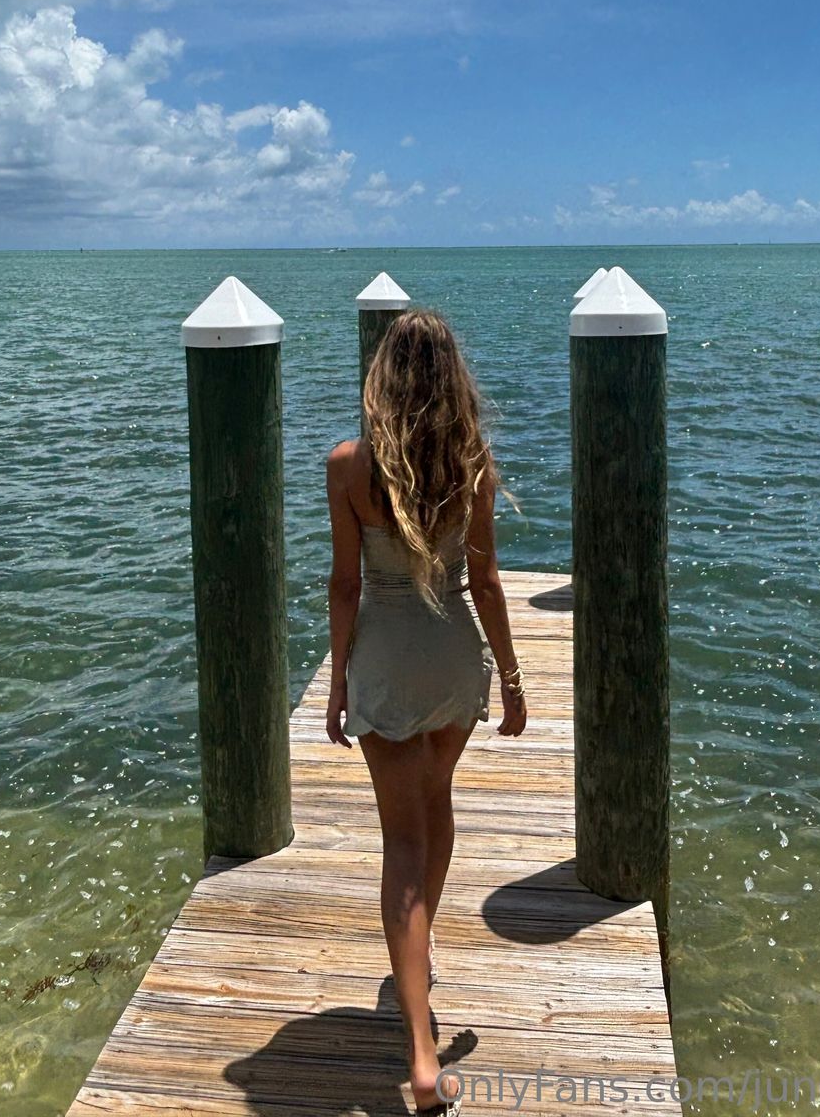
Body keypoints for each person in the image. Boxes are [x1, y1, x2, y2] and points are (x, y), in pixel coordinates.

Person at [324, 308, 528, 1117]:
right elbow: (487, 584)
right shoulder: (471, 463)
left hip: (386, 660)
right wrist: (512, 679)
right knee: (436, 805)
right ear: (453, 378)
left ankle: (419, 1052)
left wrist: (337, 683)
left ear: (382, 376)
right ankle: (422, 947)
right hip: (452, 660)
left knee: (401, 841)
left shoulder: (349, 467)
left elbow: (346, 585)